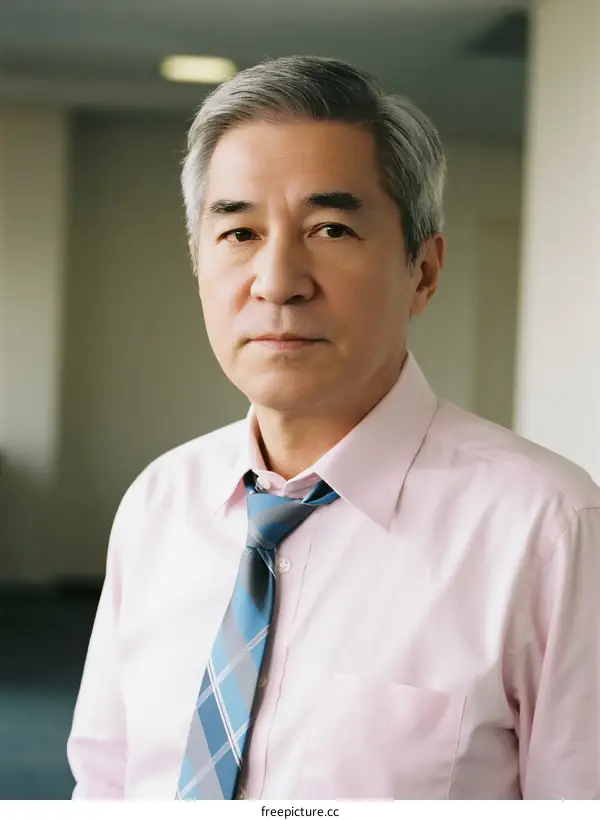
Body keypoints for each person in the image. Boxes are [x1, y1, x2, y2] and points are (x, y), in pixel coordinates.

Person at [67, 55, 600, 800]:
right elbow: (104, 787)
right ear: (198, 263)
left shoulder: (544, 528)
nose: (278, 281)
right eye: (239, 233)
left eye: (331, 228)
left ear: (424, 271)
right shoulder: (159, 504)